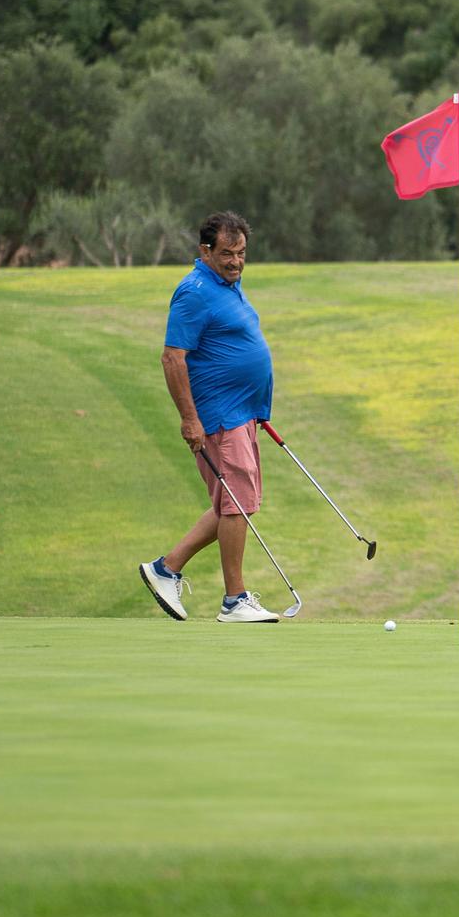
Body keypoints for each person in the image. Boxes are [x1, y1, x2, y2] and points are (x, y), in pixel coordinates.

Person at [137, 212, 281, 623]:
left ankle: (165, 569)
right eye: (226, 254)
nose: (236, 262)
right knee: (236, 504)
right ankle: (234, 600)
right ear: (204, 251)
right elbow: (172, 357)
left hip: (240, 413)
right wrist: (189, 420)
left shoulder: (228, 286)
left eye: (241, 254)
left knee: (232, 503)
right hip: (216, 416)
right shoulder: (194, 292)